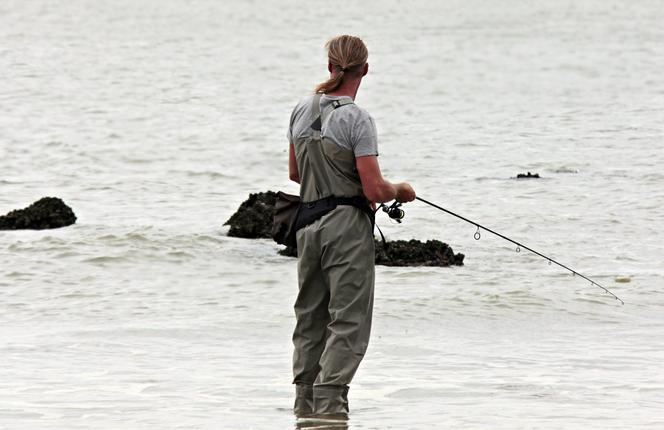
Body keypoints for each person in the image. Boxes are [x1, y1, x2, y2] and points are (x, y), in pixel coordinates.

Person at [287, 35, 416, 418]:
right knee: (348, 319)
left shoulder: (299, 110)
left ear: (330, 66)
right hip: (346, 227)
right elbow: (375, 188)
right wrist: (402, 191)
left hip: (306, 226)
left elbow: (296, 174)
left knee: (310, 317)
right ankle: (329, 407)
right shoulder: (357, 118)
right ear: (365, 70)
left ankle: (304, 406)